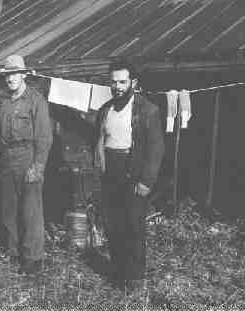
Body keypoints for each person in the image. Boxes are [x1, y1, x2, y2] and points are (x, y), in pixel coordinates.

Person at [93, 60, 164, 292]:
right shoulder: (105, 110)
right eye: (113, 82)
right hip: (111, 171)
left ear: (133, 82)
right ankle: (118, 272)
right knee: (113, 223)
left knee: (133, 225)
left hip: (134, 172)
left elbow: (156, 149)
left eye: (122, 82)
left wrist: (147, 181)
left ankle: (134, 279)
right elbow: (100, 143)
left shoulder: (147, 110)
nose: (117, 86)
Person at [0, 55, 53, 274]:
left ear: (23, 75)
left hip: (28, 156)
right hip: (8, 157)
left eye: (14, 74)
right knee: (9, 210)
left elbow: (44, 138)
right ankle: (14, 252)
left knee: (31, 210)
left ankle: (33, 259)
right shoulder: (3, 101)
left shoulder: (36, 101)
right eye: (7, 75)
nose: (10, 78)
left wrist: (37, 167)